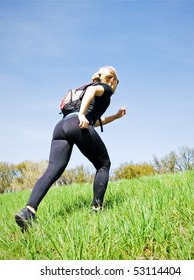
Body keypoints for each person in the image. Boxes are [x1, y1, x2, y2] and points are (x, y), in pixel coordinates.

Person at [15, 65, 126, 231]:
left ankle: (28, 211)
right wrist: (81, 114)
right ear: (112, 80)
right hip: (77, 123)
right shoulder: (105, 88)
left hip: (61, 126)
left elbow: (94, 121)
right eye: (118, 81)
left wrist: (115, 116)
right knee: (104, 164)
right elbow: (90, 96)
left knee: (52, 170)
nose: (117, 85)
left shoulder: (90, 90)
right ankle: (97, 209)